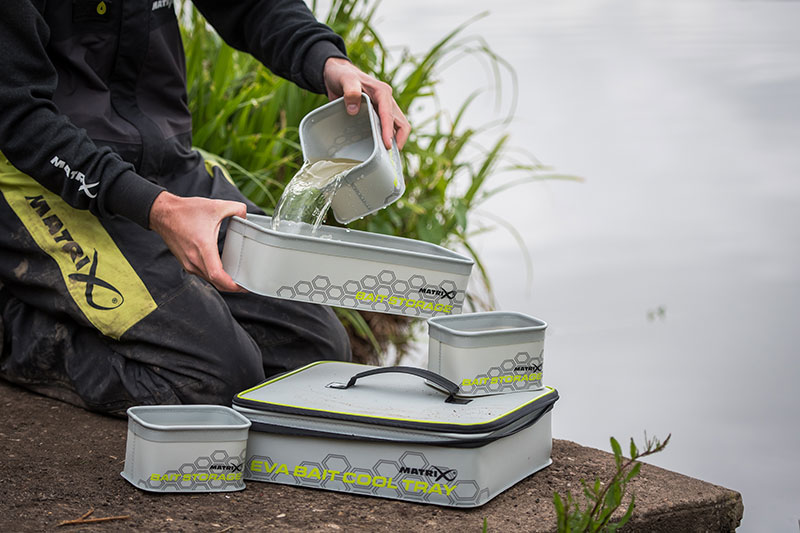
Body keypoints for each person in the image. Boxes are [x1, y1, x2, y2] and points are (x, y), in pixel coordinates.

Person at [0, 0, 410, 416]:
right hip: (43, 178)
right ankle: (13, 327)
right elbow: (16, 114)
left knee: (316, 354)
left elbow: (254, 6)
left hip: (167, 164)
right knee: (213, 380)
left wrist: (328, 60)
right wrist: (157, 210)